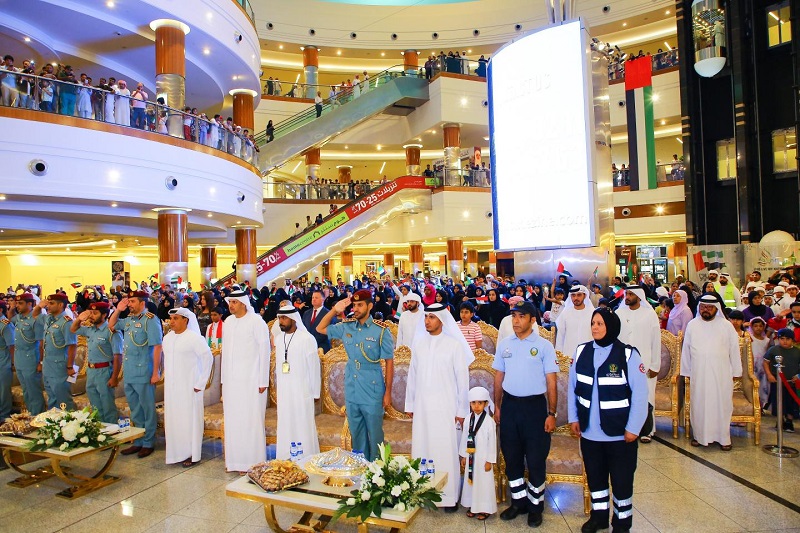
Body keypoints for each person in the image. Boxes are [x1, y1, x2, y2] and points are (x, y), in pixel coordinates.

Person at [569, 308, 649, 533]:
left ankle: (622, 523)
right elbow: (573, 388)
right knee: (596, 479)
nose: (595, 327)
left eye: (600, 324)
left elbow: (640, 395)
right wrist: (574, 417)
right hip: (590, 432)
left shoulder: (628, 355)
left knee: (622, 481)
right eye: (593, 323)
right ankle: (599, 517)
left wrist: (633, 428)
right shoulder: (582, 351)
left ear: (611, 326)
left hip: (619, 434)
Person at [493, 300, 558, 527]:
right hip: (510, 407)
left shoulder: (543, 346)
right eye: (514, 316)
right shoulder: (505, 345)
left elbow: (551, 382)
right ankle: (518, 502)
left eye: (521, 316)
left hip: (535, 409)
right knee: (512, 457)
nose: (516, 321)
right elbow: (498, 377)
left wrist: (552, 413)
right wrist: (497, 406)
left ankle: (535, 506)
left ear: (532, 320)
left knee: (535, 459)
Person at [405, 302, 472, 512]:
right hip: (422, 407)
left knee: (445, 450)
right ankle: (423, 493)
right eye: (426, 317)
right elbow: (412, 375)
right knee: (423, 447)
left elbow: (463, 380)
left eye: (432, 317)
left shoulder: (454, 345)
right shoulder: (419, 344)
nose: (427, 321)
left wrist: (462, 410)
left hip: (446, 407)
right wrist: (410, 404)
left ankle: (448, 497)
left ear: (441, 320)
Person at [317, 290, 394, 461]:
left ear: (370, 306)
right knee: (356, 432)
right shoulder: (347, 326)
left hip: (372, 387)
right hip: (352, 386)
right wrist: (334, 310)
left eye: (360, 305)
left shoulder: (380, 331)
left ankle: (378, 471)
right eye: (354, 305)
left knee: (375, 434)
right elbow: (319, 328)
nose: (356, 308)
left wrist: (388, 392)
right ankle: (360, 468)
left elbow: (389, 362)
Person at [680, 294, 742, 450]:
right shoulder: (693, 324)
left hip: (721, 373)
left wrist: (736, 371)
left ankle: (723, 438)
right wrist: (686, 370)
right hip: (699, 373)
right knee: (699, 404)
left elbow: (734, 349)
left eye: (709, 307)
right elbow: (686, 349)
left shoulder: (726, 325)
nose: (705, 310)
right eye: (702, 307)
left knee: (721, 405)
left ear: (716, 308)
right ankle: (699, 436)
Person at [221, 289, 271, 473]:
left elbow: (265, 351)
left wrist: (263, 380)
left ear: (243, 303)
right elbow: (225, 353)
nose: (231, 305)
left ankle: (252, 463)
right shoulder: (228, 322)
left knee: (250, 421)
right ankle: (234, 462)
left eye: (234, 302)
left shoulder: (256, 321)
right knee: (233, 420)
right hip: (231, 381)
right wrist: (223, 381)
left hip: (251, 380)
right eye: (230, 302)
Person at [109, 291, 163, 458]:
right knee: (135, 408)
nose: (129, 304)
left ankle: (148, 442)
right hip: (130, 371)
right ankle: (138, 440)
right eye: (129, 301)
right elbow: (111, 324)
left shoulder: (150, 320)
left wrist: (156, 372)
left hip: (144, 371)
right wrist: (118, 310)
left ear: (142, 303)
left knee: (147, 408)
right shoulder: (129, 320)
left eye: (132, 301)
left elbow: (157, 347)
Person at [163, 308, 213, 467]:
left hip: (190, 387)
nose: (172, 322)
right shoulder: (167, 338)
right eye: (171, 318)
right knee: (174, 420)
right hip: (171, 388)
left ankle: (192, 454)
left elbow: (208, 358)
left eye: (176, 318)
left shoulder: (194, 338)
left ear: (186, 320)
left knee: (189, 420)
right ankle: (176, 453)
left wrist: (201, 383)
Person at [275, 305, 321, 459]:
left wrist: (315, 392)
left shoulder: (307, 339)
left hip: (302, 390)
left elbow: (314, 367)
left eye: (284, 318)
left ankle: (306, 458)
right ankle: (285, 457)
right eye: (279, 318)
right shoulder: (278, 339)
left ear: (294, 319)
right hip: (284, 390)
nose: (281, 321)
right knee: (286, 423)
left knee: (302, 424)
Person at [616, 286, 661, 442]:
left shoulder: (650, 314)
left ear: (639, 296)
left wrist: (655, 365)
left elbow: (656, 341)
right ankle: (625, 428)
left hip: (645, 363)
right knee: (623, 396)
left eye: (631, 294)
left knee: (645, 396)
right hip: (623, 362)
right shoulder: (619, 313)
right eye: (626, 294)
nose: (627, 297)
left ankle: (647, 430)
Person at [70, 302, 123, 424]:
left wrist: (114, 377)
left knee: (107, 406)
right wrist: (79, 319)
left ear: (104, 315)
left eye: (95, 313)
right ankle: (99, 429)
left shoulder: (111, 331)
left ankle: (111, 430)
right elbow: (73, 329)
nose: (91, 316)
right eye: (91, 313)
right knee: (95, 406)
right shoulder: (90, 330)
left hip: (104, 371)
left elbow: (117, 356)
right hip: (91, 371)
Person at [458, 386, 497, 521]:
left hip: (483, 459)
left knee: (483, 483)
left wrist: (489, 460)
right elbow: (465, 437)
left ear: (485, 404)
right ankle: (472, 506)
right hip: (471, 457)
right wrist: (464, 455)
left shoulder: (489, 422)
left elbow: (492, 442)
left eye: (480, 403)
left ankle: (485, 509)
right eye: (473, 403)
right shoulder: (468, 418)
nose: (476, 406)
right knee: (472, 482)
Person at [34, 294, 77, 410]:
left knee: (63, 399)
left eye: (51, 303)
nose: (48, 305)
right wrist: (39, 306)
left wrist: (69, 366)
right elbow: (35, 315)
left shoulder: (67, 322)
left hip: (60, 366)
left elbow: (72, 345)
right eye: (48, 303)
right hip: (48, 365)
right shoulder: (48, 318)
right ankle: (53, 420)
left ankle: (68, 421)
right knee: (51, 397)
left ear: (61, 305)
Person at [10, 293, 46, 415]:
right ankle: (30, 415)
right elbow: (10, 319)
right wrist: (11, 308)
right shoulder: (19, 317)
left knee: (33, 391)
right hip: (19, 359)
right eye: (17, 303)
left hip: (31, 358)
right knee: (26, 390)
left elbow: (41, 343)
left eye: (20, 303)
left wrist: (40, 362)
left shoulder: (36, 320)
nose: (17, 306)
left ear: (30, 304)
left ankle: (37, 416)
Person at [763, 328, 800, 432]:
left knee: (791, 402)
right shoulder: (773, 350)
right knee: (778, 401)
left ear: (792, 340)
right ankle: (780, 420)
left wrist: (798, 376)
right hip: (777, 381)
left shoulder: (797, 352)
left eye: (788, 339)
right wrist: (769, 374)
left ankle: (789, 421)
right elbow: (766, 362)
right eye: (782, 339)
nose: (785, 341)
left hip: (791, 383)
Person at [555, 285, 594, 358]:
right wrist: (558, 355)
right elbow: (560, 336)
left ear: (585, 296)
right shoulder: (565, 313)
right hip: (568, 355)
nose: (576, 298)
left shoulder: (592, 313)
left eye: (579, 295)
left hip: (588, 354)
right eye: (573, 295)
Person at [0, 302, 15, 421]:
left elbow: (12, 346)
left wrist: (13, 362)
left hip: (3, 359)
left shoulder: (5, 325)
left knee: (3, 389)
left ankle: (4, 416)